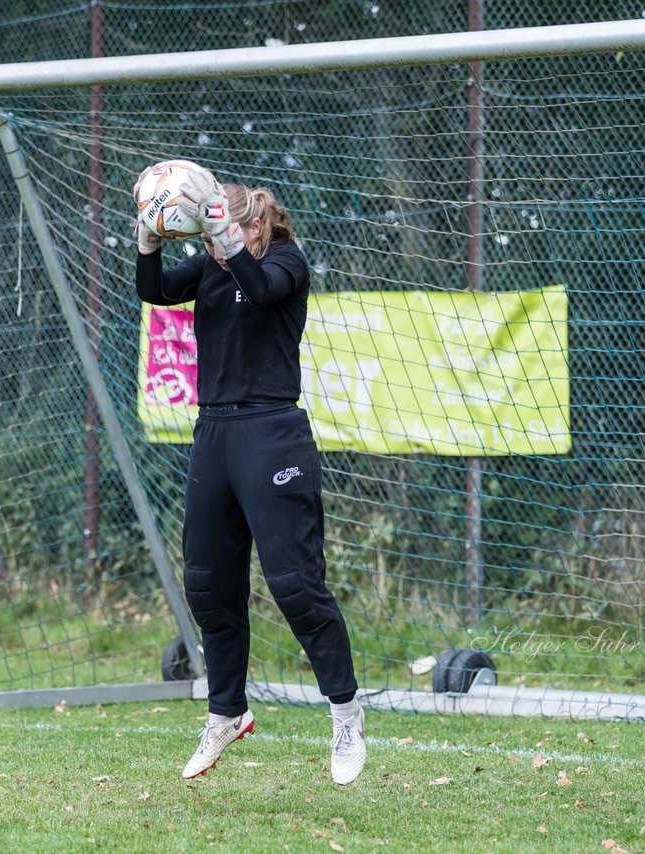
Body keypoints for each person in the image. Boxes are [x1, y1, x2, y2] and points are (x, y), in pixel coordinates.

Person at [134, 165, 366, 786]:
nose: (210, 247)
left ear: (252, 223)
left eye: (221, 231)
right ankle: (227, 712)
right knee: (209, 585)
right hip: (213, 435)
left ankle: (345, 712)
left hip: (272, 433)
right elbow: (153, 292)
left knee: (294, 584)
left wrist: (223, 234)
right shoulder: (212, 267)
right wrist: (148, 241)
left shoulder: (286, 262)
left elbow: (260, 287)